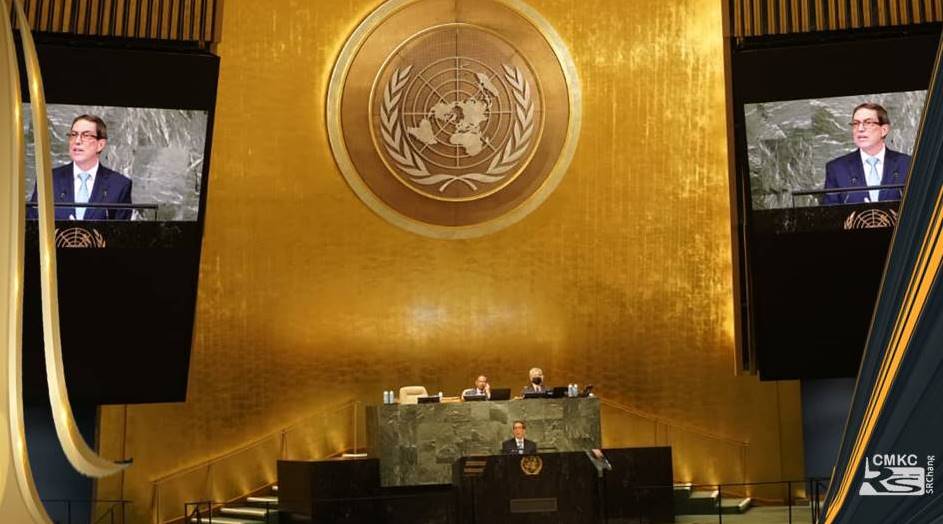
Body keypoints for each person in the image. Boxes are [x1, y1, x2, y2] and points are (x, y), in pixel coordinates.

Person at [28, 114, 133, 220]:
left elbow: (122, 229)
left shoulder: (119, 185)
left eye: (86, 135)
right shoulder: (48, 180)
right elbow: (33, 223)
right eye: (73, 135)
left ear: (100, 145)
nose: (77, 141)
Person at [822, 102, 911, 205]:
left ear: (884, 130)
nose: (860, 129)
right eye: (856, 123)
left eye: (868, 123)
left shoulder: (908, 164)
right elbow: (830, 211)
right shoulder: (837, 168)